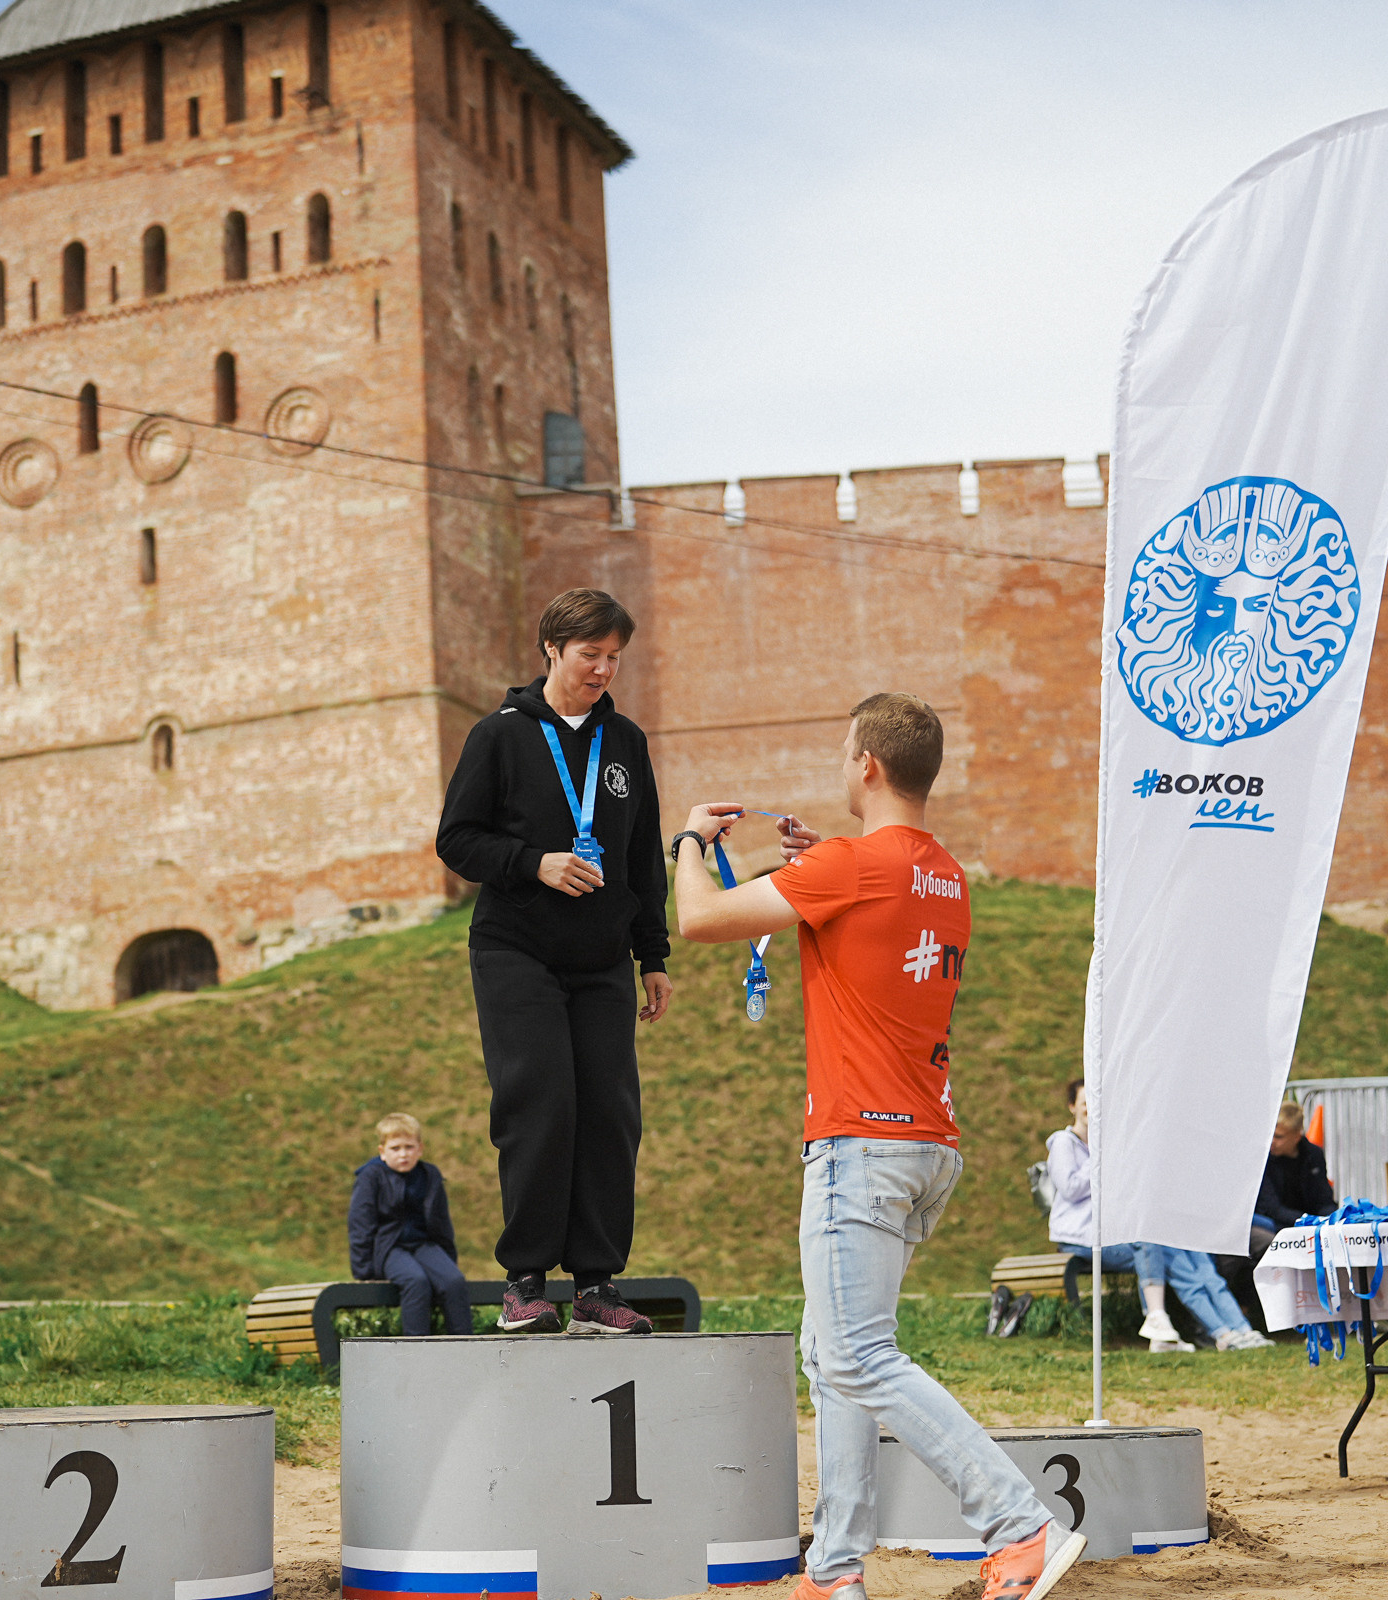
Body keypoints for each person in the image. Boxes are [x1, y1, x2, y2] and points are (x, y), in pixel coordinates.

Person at [673, 693, 1085, 1600]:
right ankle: (834, 1570)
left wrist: (690, 843)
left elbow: (699, 920)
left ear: (865, 764)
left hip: (859, 1144)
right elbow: (870, 903)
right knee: (835, 1353)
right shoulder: (944, 872)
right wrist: (824, 859)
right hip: (923, 1142)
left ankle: (1019, 1527)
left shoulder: (850, 868)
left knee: (857, 1355)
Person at [435, 589, 669, 1336]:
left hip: (600, 959)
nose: (602, 670)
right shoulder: (499, 735)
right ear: (552, 651)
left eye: (613, 658)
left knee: (610, 1112)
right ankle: (525, 1283)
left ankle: (597, 1285)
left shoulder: (624, 742)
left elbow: (640, 858)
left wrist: (652, 956)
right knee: (540, 1103)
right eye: (589, 656)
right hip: (518, 951)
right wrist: (533, 862)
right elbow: (458, 838)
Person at [1047, 1080, 1270, 1353]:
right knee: (1167, 1252)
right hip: (1081, 1237)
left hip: (1120, 1233)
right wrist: (1104, 1157)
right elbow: (1070, 1188)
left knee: (1195, 1258)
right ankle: (1221, 1332)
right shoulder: (1064, 1143)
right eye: (1085, 1103)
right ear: (1072, 1107)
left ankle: (1240, 1329)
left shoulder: (1112, 1144)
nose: (1092, 1109)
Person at [347, 1112, 471, 1337]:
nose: (403, 1154)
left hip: (423, 1244)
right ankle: (415, 1351)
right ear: (382, 1152)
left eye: (409, 1147)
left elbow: (441, 1221)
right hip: (389, 1247)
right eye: (395, 1148)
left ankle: (465, 1346)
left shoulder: (429, 1175)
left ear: (420, 1148)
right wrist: (363, 1270)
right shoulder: (370, 1177)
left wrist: (447, 1260)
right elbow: (360, 1224)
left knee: (454, 1281)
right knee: (416, 1282)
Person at [1249, 1101, 1337, 1256]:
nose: (1272, 1142)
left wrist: (1332, 1219)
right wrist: (1311, 1221)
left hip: (1304, 1223)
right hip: (1272, 1224)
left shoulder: (1313, 1155)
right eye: (1271, 1135)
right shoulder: (1263, 1158)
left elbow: (1324, 1199)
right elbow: (1271, 1208)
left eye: (1278, 1137)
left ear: (1297, 1136)